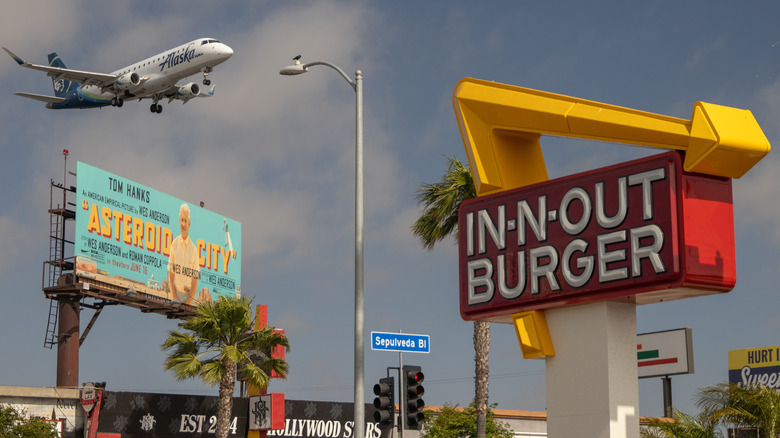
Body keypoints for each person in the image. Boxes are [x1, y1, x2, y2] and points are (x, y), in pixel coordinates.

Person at [167, 203, 200, 305]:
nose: (183, 224)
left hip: (189, 296)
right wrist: (174, 298)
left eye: (185, 221)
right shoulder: (174, 244)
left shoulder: (193, 249)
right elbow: (170, 275)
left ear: (189, 223)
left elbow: (195, 281)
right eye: (181, 220)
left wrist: (189, 302)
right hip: (175, 293)